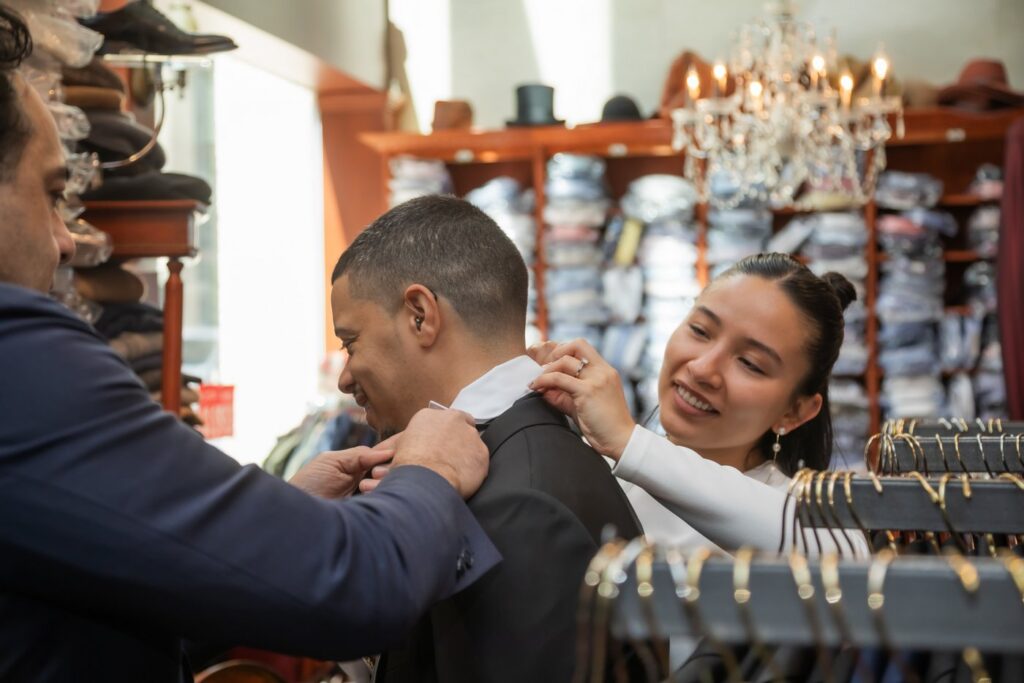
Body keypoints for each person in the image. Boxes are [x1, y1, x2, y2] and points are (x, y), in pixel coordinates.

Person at [0, 7, 500, 681]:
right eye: (52, 193)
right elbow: (352, 584)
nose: (66, 239)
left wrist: (280, 516)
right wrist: (430, 475)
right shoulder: (20, 364)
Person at [330, 194, 642, 683]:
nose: (344, 379)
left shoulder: (522, 503)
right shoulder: (523, 451)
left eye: (351, 342)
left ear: (419, 314)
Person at [528, 252, 871, 557]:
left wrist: (628, 441)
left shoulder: (813, 526)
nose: (703, 368)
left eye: (750, 363)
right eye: (700, 330)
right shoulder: (606, 473)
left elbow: (842, 557)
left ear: (794, 412)